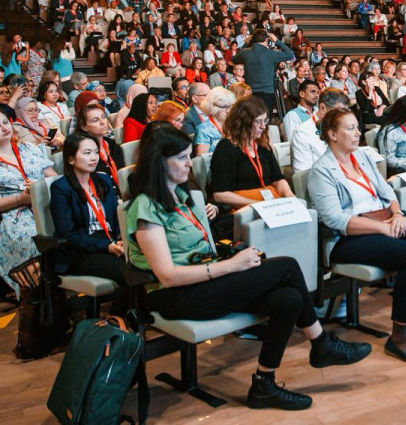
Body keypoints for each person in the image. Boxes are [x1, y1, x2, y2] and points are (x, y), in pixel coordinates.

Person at [126, 122, 369, 411]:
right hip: (176, 295)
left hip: (204, 280)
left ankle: (264, 383)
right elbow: (167, 276)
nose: (189, 164)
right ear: (159, 162)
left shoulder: (181, 198)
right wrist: (231, 266)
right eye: (181, 158)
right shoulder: (145, 207)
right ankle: (320, 344)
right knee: (287, 266)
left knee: (288, 299)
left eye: (189, 156)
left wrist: (232, 261)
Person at [307, 108, 406, 364]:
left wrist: (398, 214)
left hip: (385, 223)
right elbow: (335, 220)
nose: (358, 133)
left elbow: (386, 190)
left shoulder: (363, 158)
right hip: (348, 239)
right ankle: (400, 336)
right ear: (332, 134)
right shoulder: (322, 171)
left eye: (357, 127)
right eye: (350, 128)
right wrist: (383, 228)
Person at [0, 107, 57, 294]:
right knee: (37, 239)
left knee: (73, 232)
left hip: (44, 206)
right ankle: (39, 296)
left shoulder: (28, 149)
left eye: (6, 122)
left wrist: (40, 185)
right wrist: (19, 199)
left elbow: (53, 178)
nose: (5, 128)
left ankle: (63, 290)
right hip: (12, 218)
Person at [48, 131, 128, 314]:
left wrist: (119, 237)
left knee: (146, 262)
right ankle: (118, 320)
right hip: (79, 251)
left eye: (94, 152)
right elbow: (68, 235)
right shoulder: (61, 188)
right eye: (86, 153)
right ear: (70, 159)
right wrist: (105, 246)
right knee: (130, 272)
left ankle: (129, 316)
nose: (93, 158)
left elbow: (115, 219)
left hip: (109, 242)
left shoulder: (104, 180)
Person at [207, 95, 294, 215]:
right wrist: (256, 204)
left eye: (265, 121)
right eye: (258, 121)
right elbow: (220, 195)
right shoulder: (226, 148)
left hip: (268, 202)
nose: (263, 126)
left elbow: (277, 179)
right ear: (243, 122)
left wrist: (289, 196)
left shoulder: (262, 144)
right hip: (243, 208)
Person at [232, 30, 294, 114]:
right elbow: (290, 54)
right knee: (265, 119)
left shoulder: (245, 53)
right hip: (267, 91)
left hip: (250, 91)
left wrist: (246, 43)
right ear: (266, 40)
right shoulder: (271, 53)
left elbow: (234, 59)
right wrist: (276, 41)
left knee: (251, 118)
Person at [77, 101, 125, 178]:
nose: (102, 122)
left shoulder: (113, 145)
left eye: (103, 117)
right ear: (84, 127)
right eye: (95, 120)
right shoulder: (82, 152)